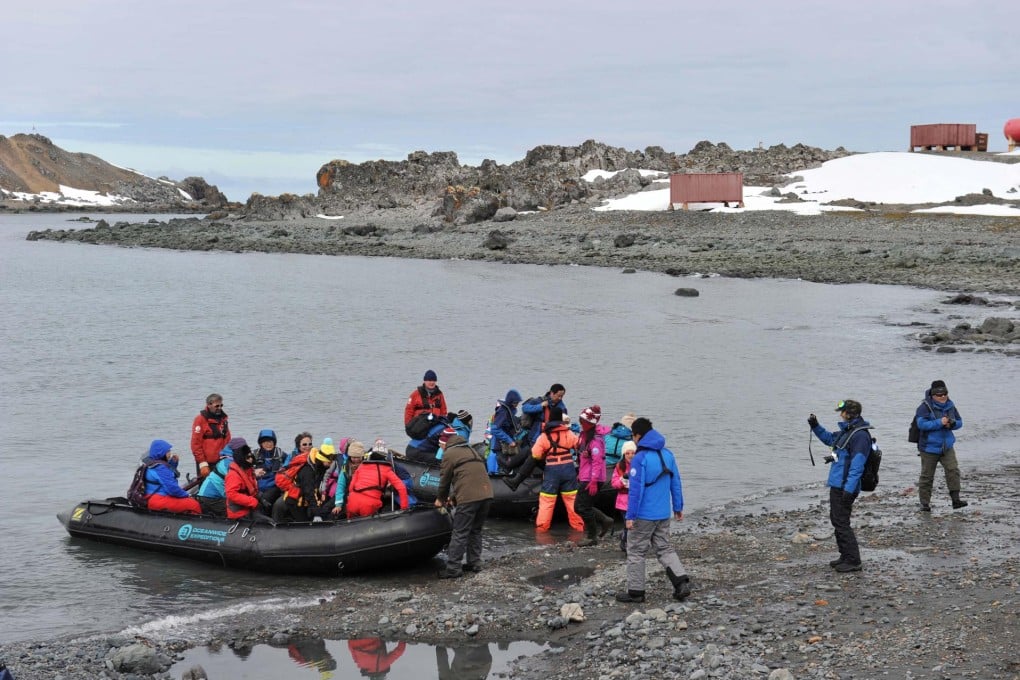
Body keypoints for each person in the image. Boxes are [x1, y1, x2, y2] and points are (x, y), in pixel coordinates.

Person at [616, 417, 691, 603]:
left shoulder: (640, 458)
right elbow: (676, 482)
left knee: (635, 550)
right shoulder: (668, 454)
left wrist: (630, 515)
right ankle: (681, 582)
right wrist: (678, 506)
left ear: (638, 436)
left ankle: (636, 592)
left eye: (633, 436)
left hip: (643, 515)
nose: (633, 440)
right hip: (663, 513)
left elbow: (636, 490)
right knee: (664, 547)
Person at [808, 399, 873, 573]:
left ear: (849, 414)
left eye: (842, 412)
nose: (840, 414)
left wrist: (849, 489)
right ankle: (845, 556)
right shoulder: (848, 431)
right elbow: (829, 438)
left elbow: (857, 465)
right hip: (839, 484)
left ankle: (853, 560)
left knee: (841, 522)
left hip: (845, 486)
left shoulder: (859, 436)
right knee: (837, 520)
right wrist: (816, 426)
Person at [434, 430, 494, 579]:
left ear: (444, 443)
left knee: (460, 532)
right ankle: (475, 562)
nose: (441, 450)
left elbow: (444, 481)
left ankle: (453, 568)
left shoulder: (449, 454)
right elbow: (468, 476)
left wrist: (440, 499)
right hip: (487, 494)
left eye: (440, 446)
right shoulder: (470, 450)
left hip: (469, 498)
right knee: (476, 530)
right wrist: (454, 496)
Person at [528, 407, 584, 532]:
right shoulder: (568, 433)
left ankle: (542, 530)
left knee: (547, 501)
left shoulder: (544, 436)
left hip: (552, 470)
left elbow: (535, 454)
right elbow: (579, 445)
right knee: (572, 500)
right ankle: (578, 527)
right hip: (568, 468)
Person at [915, 379, 968, 511]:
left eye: (945, 393)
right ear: (933, 395)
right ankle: (924, 504)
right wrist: (940, 422)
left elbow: (960, 422)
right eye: (939, 395)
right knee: (927, 476)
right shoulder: (924, 407)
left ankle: (956, 500)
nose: (943, 396)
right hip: (928, 448)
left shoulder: (950, 405)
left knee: (953, 470)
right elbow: (921, 425)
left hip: (947, 447)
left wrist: (953, 423)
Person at [574, 405, 615, 546]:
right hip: (585, 476)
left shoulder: (595, 441)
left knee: (583, 507)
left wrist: (593, 481)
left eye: (583, 422)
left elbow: (597, 462)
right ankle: (604, 520)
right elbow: (585, 459)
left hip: (592, 478)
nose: (581, 424)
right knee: (580, 506)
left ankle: (592, 537)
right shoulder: (585, 436)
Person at [273, 444, 337, 522]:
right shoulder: (307, 471)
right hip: (295, 502)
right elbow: (309, 493)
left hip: (304, 501)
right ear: (322, 459)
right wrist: (316, 514)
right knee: (304, 523)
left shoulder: (319, 466)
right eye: (329, 462)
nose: (331, 465)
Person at [345, 444, 409, 518]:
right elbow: (401, 488)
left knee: (350, 522)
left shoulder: (361, 466)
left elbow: (351, 487)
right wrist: (404, 509)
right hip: (369, 504)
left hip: (353, 501)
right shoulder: (387, 470)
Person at [143, 439, 202, 514]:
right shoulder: (161, 469)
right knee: (193, 504)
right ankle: (196, 524)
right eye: (168, 451)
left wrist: (172, 464)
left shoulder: (151, 464)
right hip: (158, 500)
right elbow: (172, 489)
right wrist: (187, 495)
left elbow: (165, 477)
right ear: (161, 453)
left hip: (149, 497)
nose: (170, 453)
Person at [196, 437, 251, 515]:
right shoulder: (229, 463)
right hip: (211, 498)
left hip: (211, 496)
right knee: (238, 512)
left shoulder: (231, 460)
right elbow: (239, 480)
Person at [224, 437, 271, 522]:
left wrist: (261, 499)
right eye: (247, 457)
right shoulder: (233, 475)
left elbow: (252, 490)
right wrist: (252, 501)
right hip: (239, 513)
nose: (251, 459)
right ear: (242, 459)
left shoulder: (248, 471)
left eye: (251, 456)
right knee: (268, 522)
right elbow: (232, 494)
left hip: (248, 508)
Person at [190, 393, 230, 478]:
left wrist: (228, 457)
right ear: (209, 405)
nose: (219, 408)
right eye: (217, 406)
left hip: (221, 461)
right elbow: (195, 444)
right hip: (207, 464)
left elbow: (227, 440)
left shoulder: (223, 420)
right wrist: (202, 463)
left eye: (221, 405)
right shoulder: (200, 420)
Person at [520, 383, 567, 448]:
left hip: (552, 438)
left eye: (562, 396)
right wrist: (540, 406)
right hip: (536, 435)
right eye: (558, 396)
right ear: (552, 393)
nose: (560, 398)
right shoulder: (540, 401)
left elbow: (564, 424)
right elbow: (525, 408)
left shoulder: (562, 408)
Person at [489, 389, 526, 472]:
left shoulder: (510, 411)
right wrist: (509, 440)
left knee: (509, 466)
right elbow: (495, 429)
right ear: (510, 402)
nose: (517, 405)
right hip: (500, 445)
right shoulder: (503, 411)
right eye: (515, 403)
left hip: (507, 445)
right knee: (504, 466)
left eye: (517, 403)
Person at [611, 441, 638, 552]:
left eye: (633, 453)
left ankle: (629, 542)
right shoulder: (619, 467)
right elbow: (614, 483)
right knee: (628, 523)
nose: (631, 455)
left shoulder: (639, 466)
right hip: (623, 501)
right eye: (628, 453)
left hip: (636, 500)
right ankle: (625, 542)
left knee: (636, 524)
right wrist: (623, 480)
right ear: (624, 454)